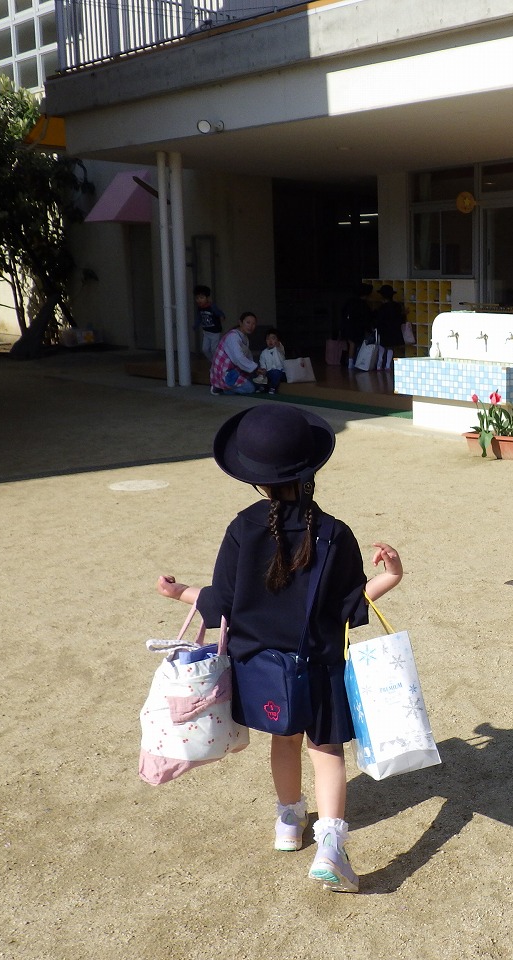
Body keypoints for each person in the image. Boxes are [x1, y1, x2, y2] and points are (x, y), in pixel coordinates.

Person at [156, 404, 404, 893]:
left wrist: (179, 591)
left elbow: (222, 603)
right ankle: (331, 846)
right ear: (310, 472)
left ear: (256, 480)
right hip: (321, 664)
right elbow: (350, 603)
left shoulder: (242, 529)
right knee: (326, 750)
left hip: (264, 670)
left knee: (284, 741)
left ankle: (289, 822)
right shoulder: (334, 533)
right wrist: (392, 575)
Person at [209, 311, 266, 395]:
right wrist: (255, 368)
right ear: (240, 322)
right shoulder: (233, 337)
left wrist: (255, 368)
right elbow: (239, 358)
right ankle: (221, 387)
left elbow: (248, 356)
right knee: (250, 388)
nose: (250, 326)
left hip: (234, 370)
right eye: (248, 322)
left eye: (253, 324)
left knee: (256, 379)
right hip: (225, 372)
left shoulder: (244, 337)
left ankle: (226, 387)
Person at [339, 282, 374, 369]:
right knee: (354, 345)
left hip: (346, 326)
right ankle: (351, 364)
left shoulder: (350, 302)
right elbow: (367, 317)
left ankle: (346, 361)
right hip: (356, 328)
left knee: (349, 344)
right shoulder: (363, 305)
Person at [372, 284, 404, 371]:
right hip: (394, 329)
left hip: (384, 330)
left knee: (381, 347)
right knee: (390, 347)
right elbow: (400, 318)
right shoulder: (397, 306)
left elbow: (378, 319)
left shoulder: (382, 307)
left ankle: (379, 365)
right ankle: (388, 365)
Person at [193, 285, 226, 362]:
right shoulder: (200, 308)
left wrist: (222, 316)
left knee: (214, 349)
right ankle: (214, 362)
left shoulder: (212, 306)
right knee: (205, 349)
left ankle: (218, 362)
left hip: (215, 332)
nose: (199, 300)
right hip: (206, 332)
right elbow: (199, 317)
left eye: (201, 298)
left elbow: (219, 313)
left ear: (207, 298)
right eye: (197, 298)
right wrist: (196, 325)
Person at [258, 327, 287, 394]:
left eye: (273, 338)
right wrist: (263, 371)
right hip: (269, 373)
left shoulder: (279, 349)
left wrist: (278, 344)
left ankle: (272, 387)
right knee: (260, 375)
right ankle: (263, 387)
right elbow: (262, 364)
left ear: (278, 340)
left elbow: (280, 346)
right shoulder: (263, 352)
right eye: (268, 339)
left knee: (276, 373)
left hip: (281, 372)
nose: (270, 341)